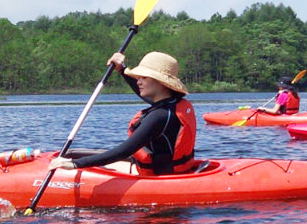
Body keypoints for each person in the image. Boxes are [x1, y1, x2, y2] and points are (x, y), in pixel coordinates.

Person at [48, 52, 198, 176]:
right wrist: (122, 69)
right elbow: (145, 94)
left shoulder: (159, 117)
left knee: (85, 161)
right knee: (84, 155)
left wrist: (75, 164)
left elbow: (124, 151)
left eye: (144, 78)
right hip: (171, 170)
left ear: (161, 83)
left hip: (159, 178)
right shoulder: (172, 104)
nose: (138, 81)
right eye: (138, 77)